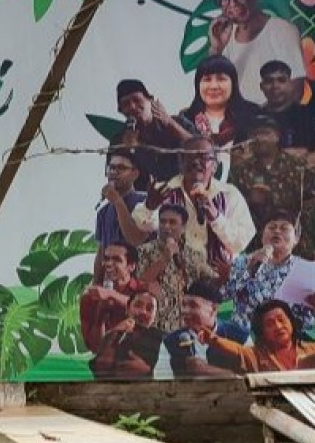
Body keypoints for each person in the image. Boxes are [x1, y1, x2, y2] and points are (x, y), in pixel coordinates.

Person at [133, 136, 255, 268]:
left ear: (214, 166)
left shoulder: (229, 194)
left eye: (203, 157)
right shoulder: (164, 191)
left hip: (218, 278)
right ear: (180, 162)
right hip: (175, 276)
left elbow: (240, 243)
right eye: (190, 157)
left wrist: (215, 217)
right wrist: (150, 207)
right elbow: (143, 226)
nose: (196, 162)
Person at [220, 209, 315, 333]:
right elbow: (222, 298)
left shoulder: (307, 271)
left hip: (287, 340)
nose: (277, 231)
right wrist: (250, 269)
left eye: (284, 228)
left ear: (296, 239)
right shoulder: (243, 261)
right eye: (271, 227)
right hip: (244, 337)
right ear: (262, 236)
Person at [227, 115, 315, 256]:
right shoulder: (239, 172)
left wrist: (298, 219)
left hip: (294, 244)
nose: (260, 138)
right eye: (255, 134)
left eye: (265, 133)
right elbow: (230, 207)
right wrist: (250, 201)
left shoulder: (295, 166)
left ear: (277, 136)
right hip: (255, 245)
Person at [208, 0, 306, 107]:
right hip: (238, 124)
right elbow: (214, 92)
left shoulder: (281, 29)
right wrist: (216, 49)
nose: (232, 3)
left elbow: (295, 90)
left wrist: (257, 121)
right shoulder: (225, 36)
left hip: (272, 125)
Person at [136, 204, 218, 333]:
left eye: (172, 222)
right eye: (162, 222)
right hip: (154, 325)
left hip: (186, 326)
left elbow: (213, 282)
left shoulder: (194, 255)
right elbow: (140, 282)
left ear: (184, 227)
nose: (166, 226)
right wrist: (164, 258)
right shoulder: (143, 251)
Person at [178, 55, 261, 175]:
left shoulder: (253, 115)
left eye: (221, 79)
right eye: (207, 79)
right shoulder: (186, 119)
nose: (214, 86)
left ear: (233, 83)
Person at [200, 299, 315, 372]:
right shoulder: (256, 355)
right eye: (270, 323)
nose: (278, 326)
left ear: (291, 322)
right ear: (262, 332)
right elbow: (239, 351)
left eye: (281, 319)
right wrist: (213, 340)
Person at [160, 279, 249, 378]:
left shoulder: (240, 336)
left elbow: (254, 379)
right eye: (184, 305)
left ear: (214, 309)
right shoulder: (170, 342)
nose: (185, 311)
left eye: (193, 305)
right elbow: (160, 383)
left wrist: (206, 370)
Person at [112, 79, 192, 186]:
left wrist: (170, 123)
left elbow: (203, 150)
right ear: (121, 111)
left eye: (137, 100)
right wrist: (132, 149)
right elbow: (116, 181)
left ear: (151, 101)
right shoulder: (119, 141)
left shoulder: (178, 123)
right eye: (126, 104)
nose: (132, 107)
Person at [257, 60, 315, 170]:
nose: (275, 86)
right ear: (262, 86)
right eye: (269, 81)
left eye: (281, 80)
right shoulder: (254, 118)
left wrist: (286, 164)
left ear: (290, 84)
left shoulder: (307, 113)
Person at [93, 148, 150, 283]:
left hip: (138, 282)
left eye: (121, 168)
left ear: (135, 174)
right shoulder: (103, 212)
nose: (114, 172)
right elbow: (101, 252)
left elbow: (135, 238)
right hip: (111, 284)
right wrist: (95, 283)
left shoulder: (144, 203)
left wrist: (117, 201)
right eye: (111, 168)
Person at [80, 243, 147, 354]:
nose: (109, 264)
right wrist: (100, 315)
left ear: (131, 266)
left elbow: (145, 311)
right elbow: (95, 348)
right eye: (106, 259)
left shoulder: (144, 290)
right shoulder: (90, 298)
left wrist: (112, 295)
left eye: (117, 259)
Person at [89, 290, 164, 380]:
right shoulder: (113, 335)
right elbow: (99, 370)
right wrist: (115, 334)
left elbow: (173, 373)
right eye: (138, 305)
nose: (143, 312)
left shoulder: (164, 340)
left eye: (149, 309)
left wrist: (148, 371)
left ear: (155, 316)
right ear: (127, 309)